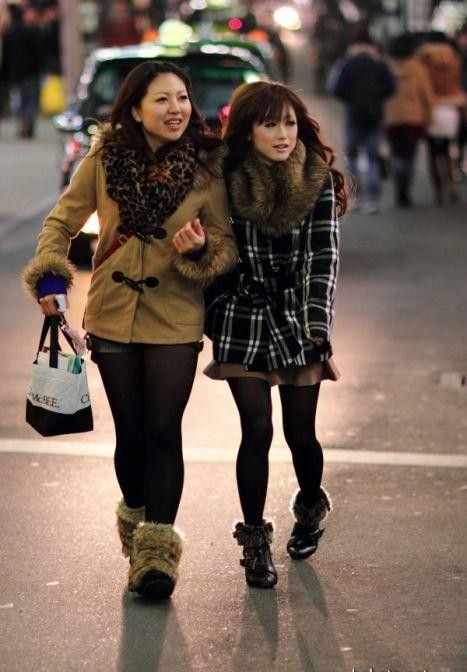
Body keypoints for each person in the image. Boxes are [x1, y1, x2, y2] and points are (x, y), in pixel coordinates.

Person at [22, 61, 238, 599]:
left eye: (182, 98)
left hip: (176, 314)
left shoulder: (207, 167)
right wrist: (51, 277)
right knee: (132, 433)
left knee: (164, 429)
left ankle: (157, 553)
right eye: (162, 99)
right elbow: (62, 221)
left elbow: (225, 242)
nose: (176, 109)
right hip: (114, 311)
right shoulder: (104, 158)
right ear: (136, 110)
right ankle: (137, 515)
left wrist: (201, 249)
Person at [204, 81, 348, 589]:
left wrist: (317, 324)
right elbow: (216, 247)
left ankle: (309, 508)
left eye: (289, 122)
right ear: (247, 130)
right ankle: (255, 544)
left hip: (298, 317)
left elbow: (322, 258)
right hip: (242, 315)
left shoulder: (316, 179)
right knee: (257, 430)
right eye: (270, 124)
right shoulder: (225, 178)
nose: (283, 134)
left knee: (299, 431)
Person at [328, 28, 395, 214]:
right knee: (373, 158)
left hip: (353, 116)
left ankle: (354, 197)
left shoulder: (347, 63)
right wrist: (377, 98)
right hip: (375, 116)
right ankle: (372, 199)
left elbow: (335, 88)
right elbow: (391, 87)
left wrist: (350, 99)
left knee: (352, 157)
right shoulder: (379, 63)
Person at [384, 33, 435, 207]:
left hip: (391, 118)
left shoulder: (386, 67)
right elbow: (427, 96)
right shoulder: (419, 69)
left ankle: (399, 183)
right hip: (414, 118)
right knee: (410, 155)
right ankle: (405, 189)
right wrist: (429, 118)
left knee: (396, 153)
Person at [417, 34, 466, 204]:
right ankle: (452, 184)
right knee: (448, 149)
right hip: (452, 107)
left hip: (432, 108)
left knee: (432, 152)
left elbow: (423, 88)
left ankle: (438, 190)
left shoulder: (423, 60)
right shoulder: (455, 59)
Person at [0, 4, 43, 138]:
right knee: (30, 100)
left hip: (15, 74)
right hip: (31, 73)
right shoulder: (31, 31)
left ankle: (23, 122)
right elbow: (38, 54)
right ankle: (27, 122)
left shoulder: (9, 34)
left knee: (20, 100)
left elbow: (6, 57)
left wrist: (4, 75)